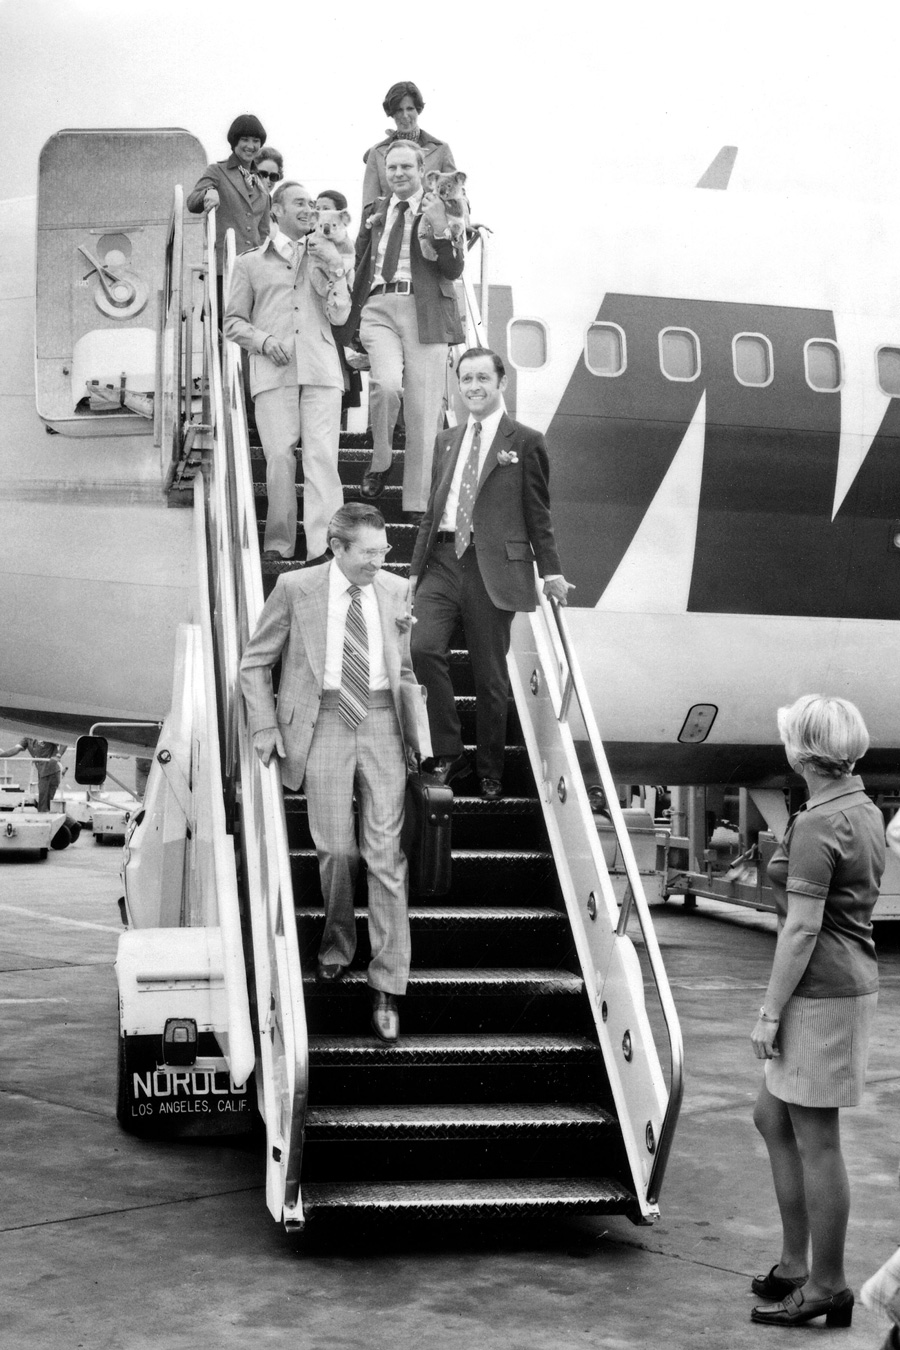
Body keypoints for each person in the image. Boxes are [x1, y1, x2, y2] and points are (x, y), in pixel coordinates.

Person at [239, 502, 429, 1042]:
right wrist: (263, 727)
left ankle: (388, 986)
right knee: (337, 851)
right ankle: (338, 942)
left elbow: (405, 665)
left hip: (383, 723)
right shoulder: (296, 588)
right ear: (337, 548)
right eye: (368, 552)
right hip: (321, 721)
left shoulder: (394, 590)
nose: (379, 561)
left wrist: (417, 734)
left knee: (387, 857)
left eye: (383, 550)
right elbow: (255, 662)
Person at [749, 694, 885, 1329]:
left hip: (820, 992)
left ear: (802, 750)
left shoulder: (817, 824)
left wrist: (770, 1013)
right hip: (841, 983)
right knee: (772, 1116)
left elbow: (801, 930)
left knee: (817, 1138)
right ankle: (795, 1262)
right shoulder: (861, 808)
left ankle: (827, 1281)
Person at [409, 347, 573, 800]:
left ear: (501, 382)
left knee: (490, 676)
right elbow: (432, 510)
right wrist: (412, 572)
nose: (473, 387)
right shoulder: (447, 440)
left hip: (491, 567)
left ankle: (490, 768)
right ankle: (449, 749)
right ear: (458, 386)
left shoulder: (525, 441)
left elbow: (538, 514)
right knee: (421, 648)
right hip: (443, 560)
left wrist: (551, 572)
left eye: (483, 378)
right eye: (466, 380)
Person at [224, 179, 349, 563]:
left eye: (312, 203)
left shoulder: (329, 255)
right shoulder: (248, 263)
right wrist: (263, 341)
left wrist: (336, 270)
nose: (309, 209)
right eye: (299, 202)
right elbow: (232, 322)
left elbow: (341, 315)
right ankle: (279, 543)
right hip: (273, 371)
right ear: (275, 210)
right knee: (279, 456)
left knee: (322, 457)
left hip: (321, 368)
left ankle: (323, 547)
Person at [339, 139, 465, 515]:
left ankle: (416, 501)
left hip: (423, 308)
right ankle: (380, 460)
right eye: (391, 168)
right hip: (379, 307)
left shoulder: (439, 206)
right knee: (387, 384)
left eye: (406, 168)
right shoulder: (376, 210)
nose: (397, 174)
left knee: (424, 409)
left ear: (421, 170)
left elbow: (453, 269)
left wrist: (442, 225)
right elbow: (360, 260)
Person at [186, 114, 272, 284]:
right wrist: (208, 191)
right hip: (223, 270)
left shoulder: (261, 184)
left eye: (255, 140)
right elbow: (192, 202)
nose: (250, 146)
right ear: (234, 142)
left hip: (253, 272)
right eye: (244, 140)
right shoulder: (217, 171)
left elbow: (264, 232)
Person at [361, 81, 455, 212]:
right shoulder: (376, 153)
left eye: (410, 108)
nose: (405, 115)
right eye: (399, 110)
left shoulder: (441, 150)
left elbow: (457, 196)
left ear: (418, 110)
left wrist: (464, 226)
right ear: (392, 113)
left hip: (428, 227)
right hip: (389, 228)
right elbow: (369, 205)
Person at [0, 735, 65, 812]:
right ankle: (74, 824)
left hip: (51, 772)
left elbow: (64, 742)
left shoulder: (45, 733)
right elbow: (16, 749)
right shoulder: (28, 738)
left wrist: (58, 756)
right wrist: (1, 755)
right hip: (42, 772)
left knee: (44, 805)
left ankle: (44, 820)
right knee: (44, 803)